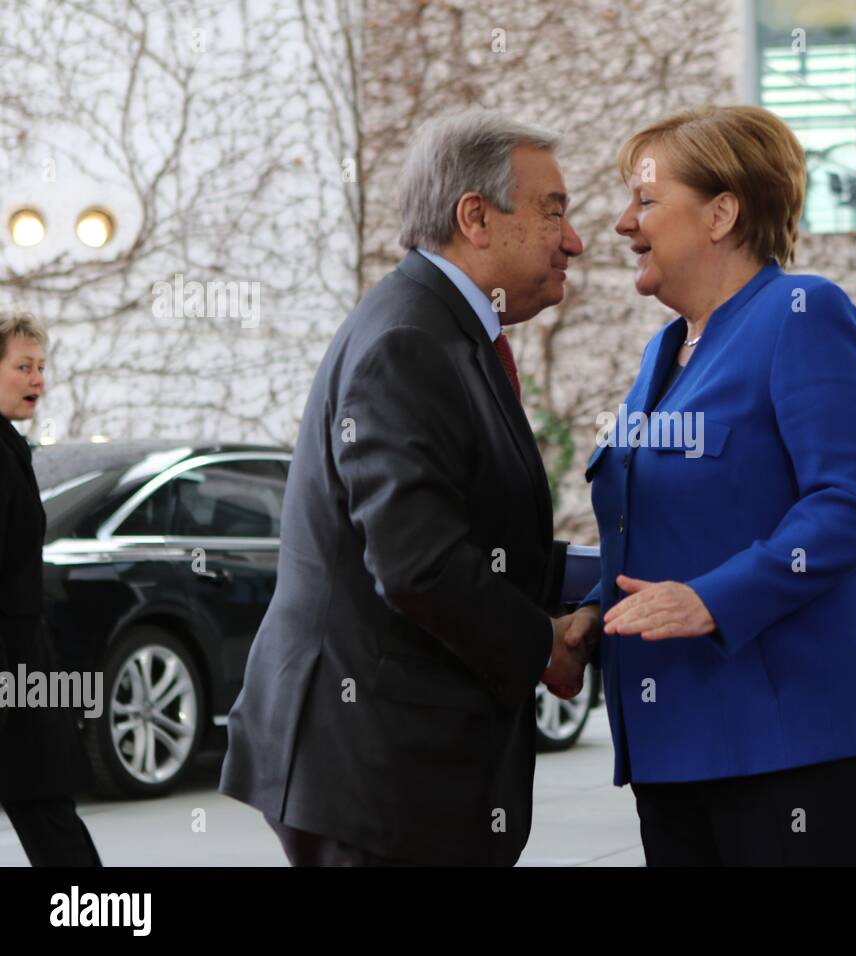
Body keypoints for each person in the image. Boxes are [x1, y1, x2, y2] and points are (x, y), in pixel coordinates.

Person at [559, 105, 856, 866]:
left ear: (722, 213)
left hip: (804, 735)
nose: (619, 225)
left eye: (644, 200)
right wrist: (592, 608)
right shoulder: (663, 353)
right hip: (681, 743)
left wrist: (712, 600)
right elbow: (671, 530)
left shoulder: (803, 313)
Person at [219, 111, 588, 866]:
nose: (575, 240)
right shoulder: (410, 341)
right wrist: (542, 645)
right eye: (554, 210)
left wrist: (607, 578)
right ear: (475, 218)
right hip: (374, 776)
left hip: (391, 771)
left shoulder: (449, 328)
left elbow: (476, 539)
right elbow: (419, 564)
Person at [0, 310, 102, 867]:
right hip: (12, 670)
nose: (38, 379)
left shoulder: (11, 447)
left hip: (22, 667)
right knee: (48, 812)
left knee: (45, 807)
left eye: (41, 367)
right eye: (23, 367)